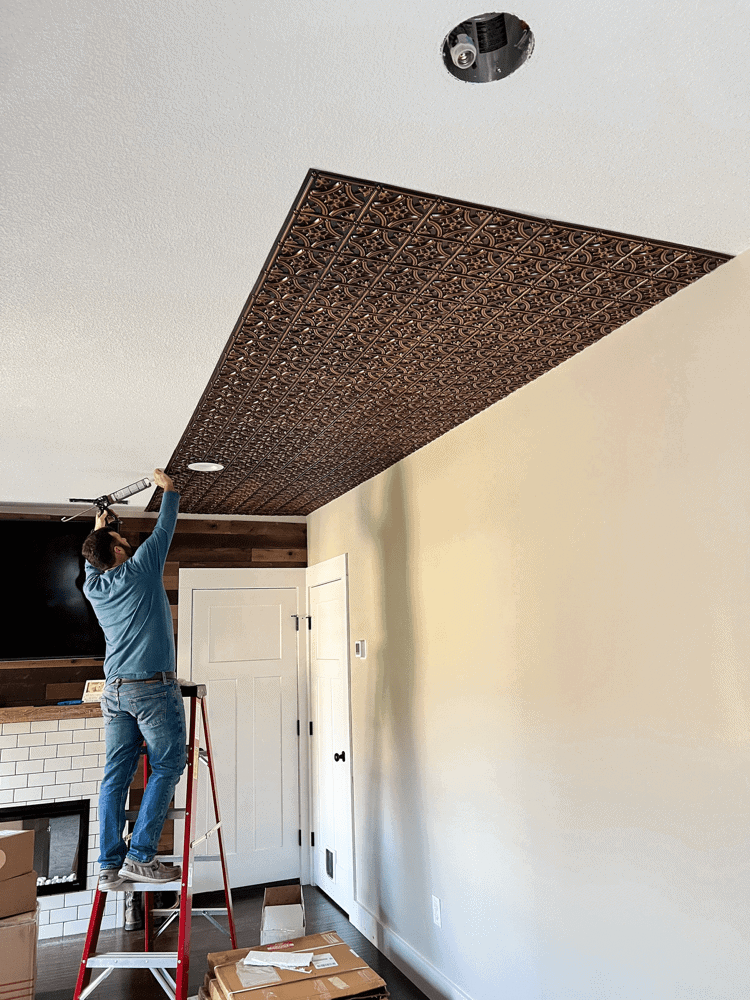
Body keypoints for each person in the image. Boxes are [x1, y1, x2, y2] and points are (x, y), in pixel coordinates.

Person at [82, 468, 186, 891]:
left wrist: (100, 527)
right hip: (150, 688)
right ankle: (140, 856)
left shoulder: (93, 585)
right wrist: (170, 490)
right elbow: (165, 527)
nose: (131, 542)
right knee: (167, 763)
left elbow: (94, 555)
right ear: (121, 552)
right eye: (124, 541)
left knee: (116, 774)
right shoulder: (141, 569)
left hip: (116, 690)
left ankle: (109, 865)